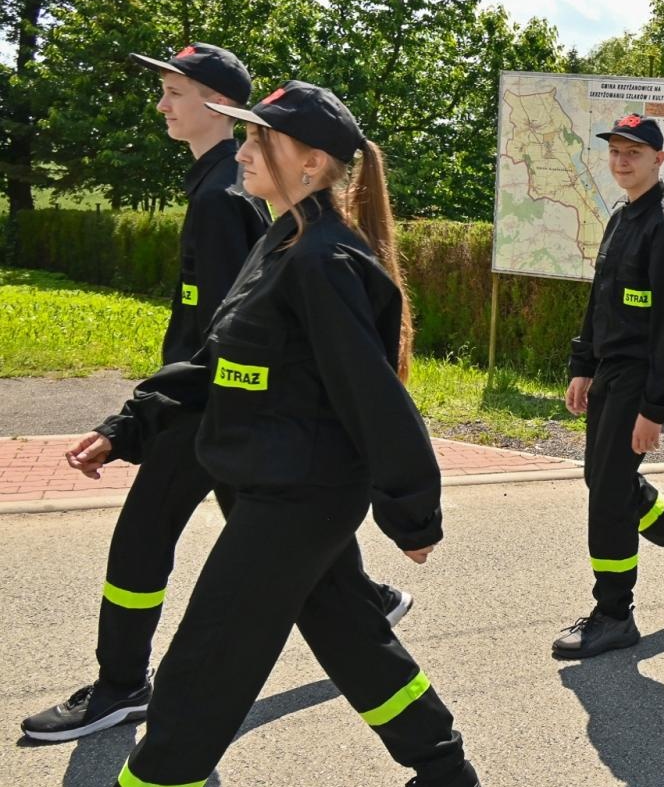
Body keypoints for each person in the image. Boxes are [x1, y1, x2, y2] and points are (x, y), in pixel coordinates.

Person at [64, 82, 477, 787]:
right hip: (275, 484)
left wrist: (411, 510)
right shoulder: (283, 239)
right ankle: (442, 765)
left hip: (298, 499)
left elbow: (371, 393)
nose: (243, 151)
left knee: (199, 676)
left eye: (261, 142)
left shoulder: (326, 260)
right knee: (349, 630)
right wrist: (131, 425)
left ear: (313, 164)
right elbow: (219, 360)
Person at [19, 47, 410, 745]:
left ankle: (120, 686)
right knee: (320, 587)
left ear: (218, 106)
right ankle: (398, 671)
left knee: (143, 539)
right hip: (214, 408)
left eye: (175, 92)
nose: (163, 105)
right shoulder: (224, 194)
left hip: (214, 411)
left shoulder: (227, 203)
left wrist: (144, 416)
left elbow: (239, 338)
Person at [555, 113, 664, 659]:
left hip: (639, 378)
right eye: (615, 151)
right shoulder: (622, 216)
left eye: (634, 151)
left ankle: (614, 613)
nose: (622, 159)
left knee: (608, 492)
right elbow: (599, 300)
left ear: (660, 159)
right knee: (604, 482)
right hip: (609, 371)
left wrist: (656, 407)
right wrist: (582, 364)